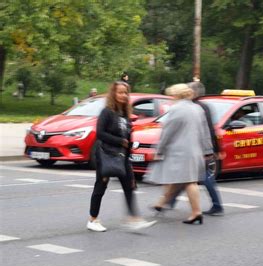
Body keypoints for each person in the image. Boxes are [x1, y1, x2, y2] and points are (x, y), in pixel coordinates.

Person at [87, 81, 156, 232]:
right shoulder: (107, 112)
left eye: (125, 93)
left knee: (129, 186)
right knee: (101, 186)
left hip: (122, 156)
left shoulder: (124, 113)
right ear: (113, 94)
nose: (123, 95)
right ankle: (93, 219)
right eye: (120, 92)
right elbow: (100, 134)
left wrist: (129, 155)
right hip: (106, 154)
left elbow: (127, 137)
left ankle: (134, 219)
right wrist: (120, 141)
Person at [146, 83, 213, 224]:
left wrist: (159, 150)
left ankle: (196, 212)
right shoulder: (197, 108)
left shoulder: (176, 109)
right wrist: (207, 150)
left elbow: (168, 132)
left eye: (171, 95)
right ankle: (161, 203)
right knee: (180, 179)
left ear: (176, 95)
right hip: (195, 150)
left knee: (188, 182)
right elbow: (205, 131)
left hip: (179, 152)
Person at [166, 81, 225, 216]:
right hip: (197, 149)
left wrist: (213, 150)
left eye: (188, 90)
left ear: (195, 93)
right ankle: (170, 201)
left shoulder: (198, 107)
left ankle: (216, 205)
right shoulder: (200, 106)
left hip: (197, 149)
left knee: (202, 178)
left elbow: (208, 129)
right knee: (187, 177)